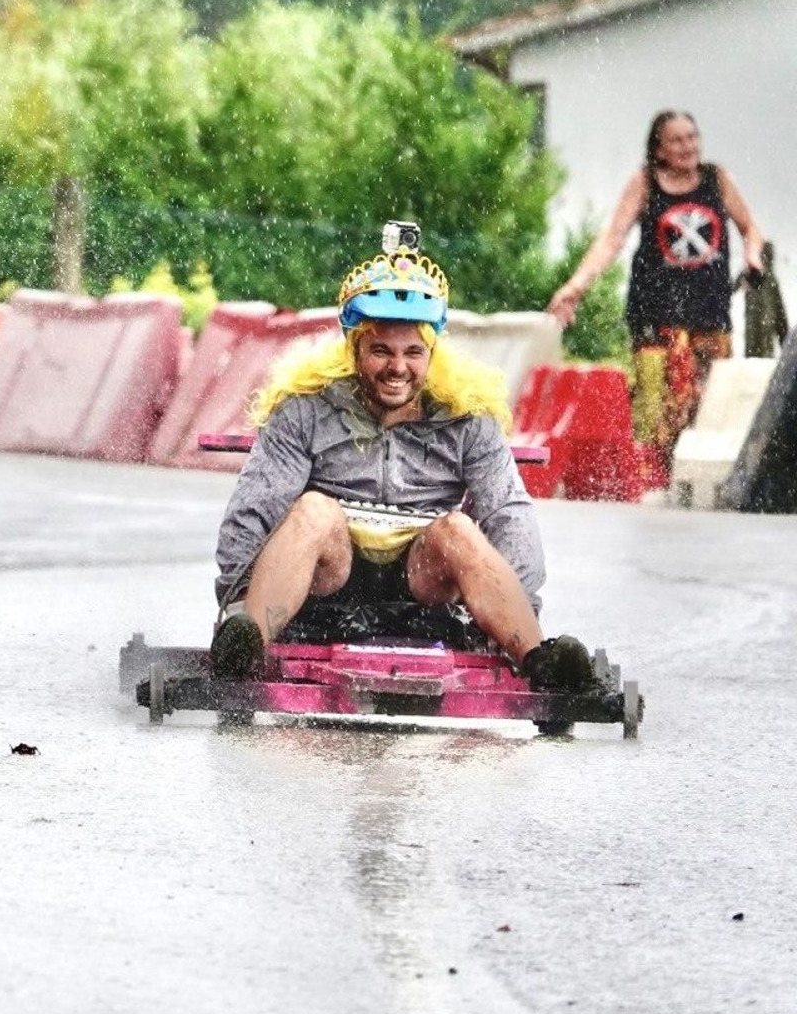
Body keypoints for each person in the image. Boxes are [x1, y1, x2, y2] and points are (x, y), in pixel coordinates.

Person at [212, 227, 598, 691]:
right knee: (313, 509)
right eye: (381, 351)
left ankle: (542, 660)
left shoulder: (469, 419)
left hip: (424, 581)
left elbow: (508, 514)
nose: (398, 368)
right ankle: (245, 649)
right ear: (354, 348)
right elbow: (257, 507)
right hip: (327, 577)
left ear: (432, 352)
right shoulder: (304, 408)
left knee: (460, 528)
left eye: (413, 352)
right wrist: (235, 609)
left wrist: (520, 612)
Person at [546, 110, 765, 462]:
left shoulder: (717, 179)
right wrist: (575, 287)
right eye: (677, 140)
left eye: (692, 137)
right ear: (659, 149)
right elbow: (611, 240)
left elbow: (750, 228)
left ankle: (691, 475)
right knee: (654, 402)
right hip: (655, 314)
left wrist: (752, 257)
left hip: (709, 314)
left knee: (707, 404)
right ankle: (650, 478)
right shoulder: (645, 184)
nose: (688, 146)